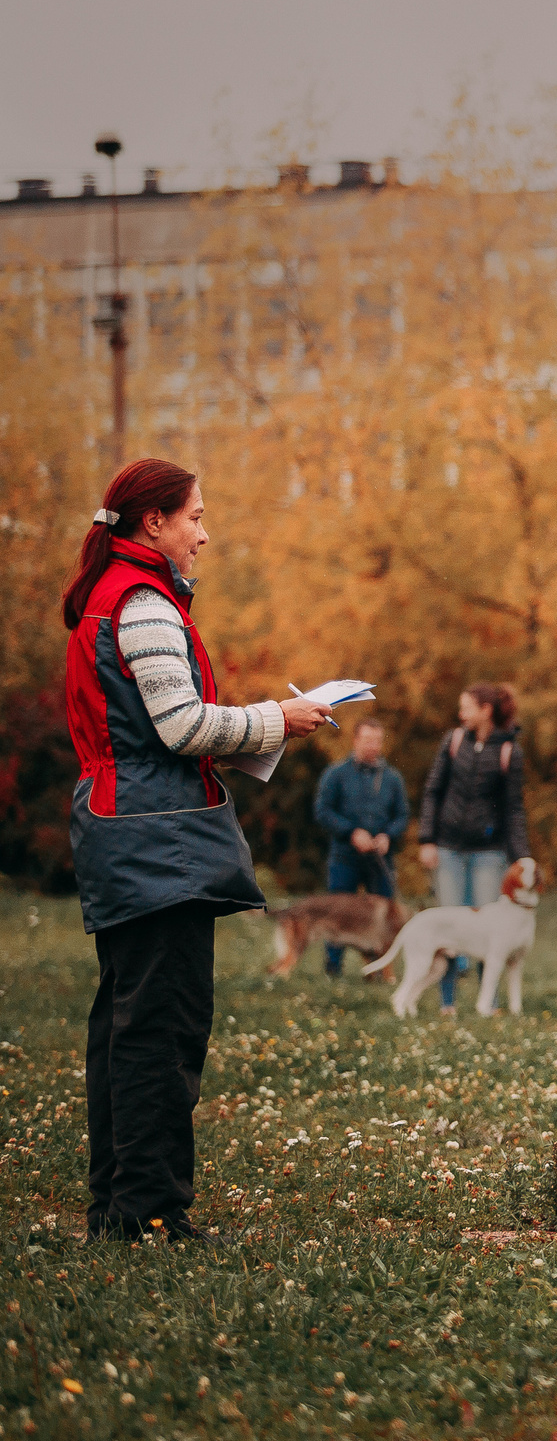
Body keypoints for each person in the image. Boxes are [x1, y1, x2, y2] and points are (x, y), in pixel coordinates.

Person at [61, 459, 328, 1243]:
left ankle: (120, 1209)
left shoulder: (115, 596)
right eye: (195, 517)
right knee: (162, 1029)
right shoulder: (143, 603)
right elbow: (181, 728)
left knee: (125, 1023)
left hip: (124, 828)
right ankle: (150, 1213)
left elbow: (149, 731)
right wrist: (279, 717)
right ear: (155, 523)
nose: (204, 533)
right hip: (157, 837)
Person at [416, 683, 531, 1016]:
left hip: (489, 853)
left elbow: (514, 810)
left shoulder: (510, 752)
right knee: (450, 927)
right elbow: (432, 792)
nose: (460, 714)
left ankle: (489, 1003)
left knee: (489, 931)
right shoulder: (453, 742)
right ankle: (447, 1003)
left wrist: (521, 856)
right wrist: (427, 839)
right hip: (449, 848)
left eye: (465, 707)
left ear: (486, 710)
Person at [311, 717, 409, 974]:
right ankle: (333, 968)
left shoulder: (392, 778)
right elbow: (322, 811)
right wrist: (351, 832)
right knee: (338, 913)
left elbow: (402, 815)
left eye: (377, 741)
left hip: (380, 860)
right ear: (355, 740)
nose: (373, 746)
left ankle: (381, 970)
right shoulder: (336, 774)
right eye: (367, 740)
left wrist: (389, 835)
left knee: (386, 918)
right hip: (345, 857)